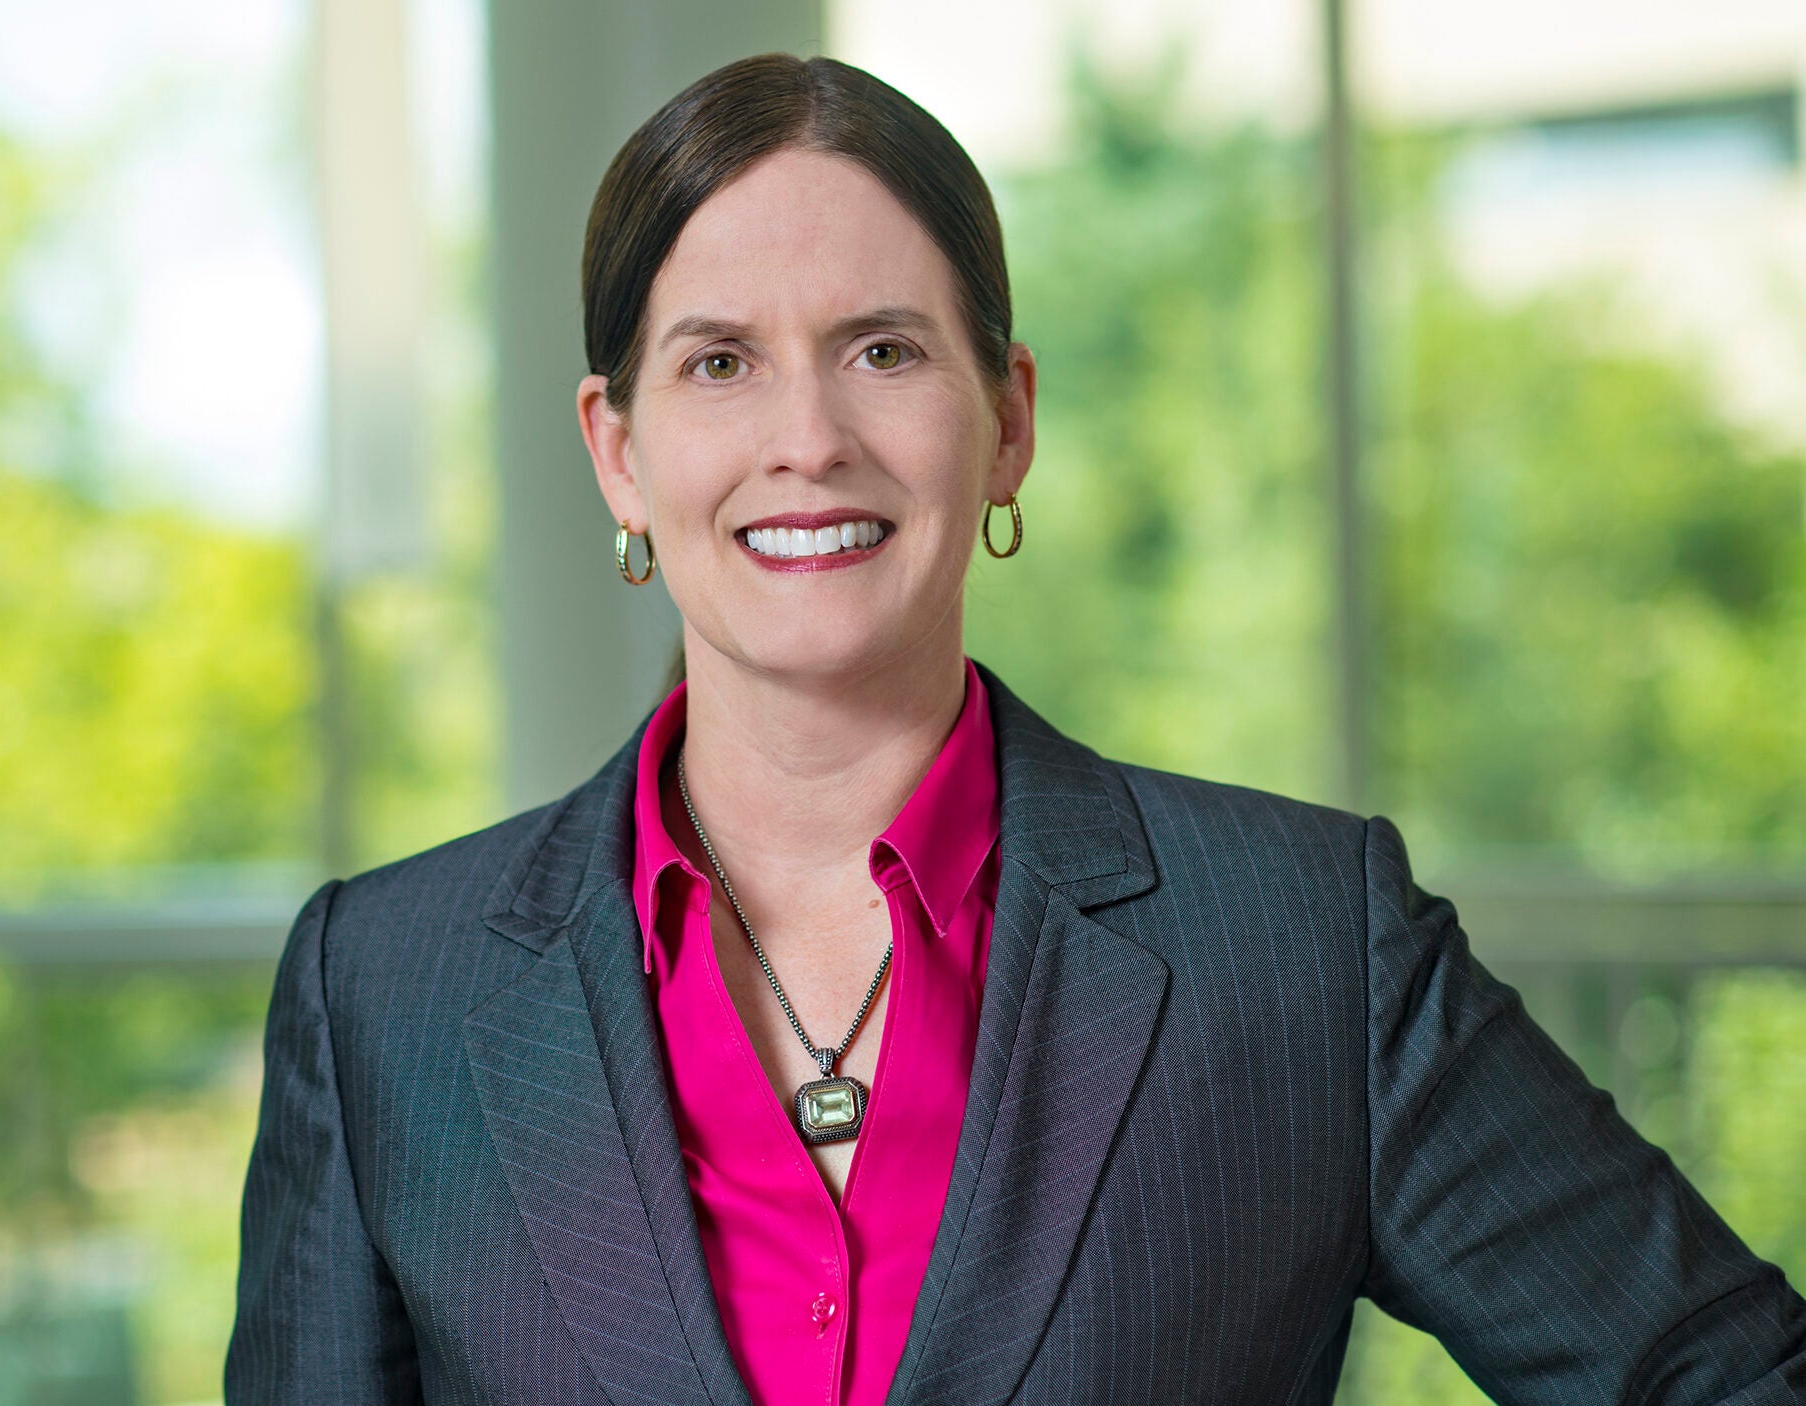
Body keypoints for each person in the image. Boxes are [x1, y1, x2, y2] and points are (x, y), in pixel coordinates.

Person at [225, 53, 1806, 1405]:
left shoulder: (1309, 946)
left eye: (884, 351)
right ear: (619, 454)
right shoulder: (386, 995)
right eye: (720, 363)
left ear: (1010, 420)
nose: (808, 438)